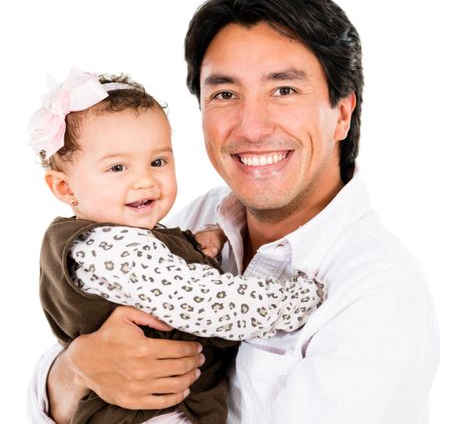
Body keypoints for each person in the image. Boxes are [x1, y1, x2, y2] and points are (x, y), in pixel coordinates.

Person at [29, 0, 439, 424]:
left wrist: (81, 374)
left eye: (283, 90)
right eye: (225, 93)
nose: (252, 127)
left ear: (341, 112)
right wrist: (76, 369)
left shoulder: (377, 294)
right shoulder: (185, 217)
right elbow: (59, 379)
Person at [28, 68, 323, 423]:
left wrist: (200, 244)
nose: (145, 180)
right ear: (65, 188)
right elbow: (208, 303)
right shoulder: (111, 248)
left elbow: (161, 270)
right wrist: (296, 298)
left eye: (158, 162)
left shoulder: (110, 238)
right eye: (117, 167)